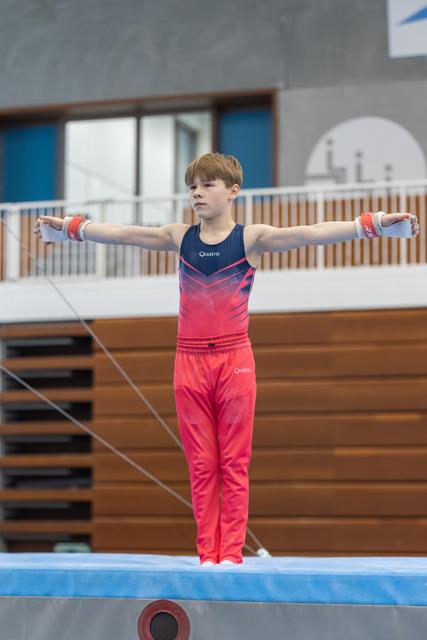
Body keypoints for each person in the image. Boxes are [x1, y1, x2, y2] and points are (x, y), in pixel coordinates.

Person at [34, 152, 420, 566]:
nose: (197, 193)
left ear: (233, 191)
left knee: (233, 462)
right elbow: (124, 233)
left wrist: (377, 225)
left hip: (234, 359)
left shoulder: (251, 239)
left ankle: (231, 555)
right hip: (189, 361)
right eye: (192, 187)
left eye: (207, 185)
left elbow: (311, 233)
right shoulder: (179, 237)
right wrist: (73, 230)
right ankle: (207, 556)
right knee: (202, 465)